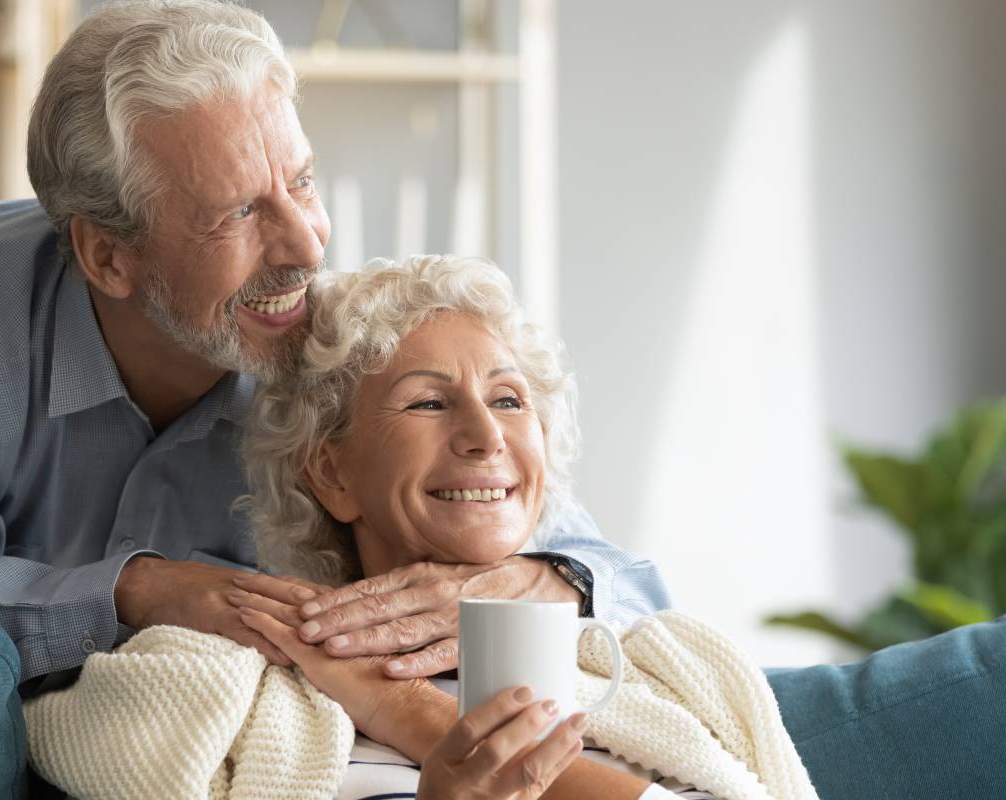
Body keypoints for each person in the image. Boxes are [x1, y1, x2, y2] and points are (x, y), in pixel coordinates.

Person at [0, 0, 668, 690]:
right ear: (108, 255)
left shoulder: (320, 330)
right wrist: (136, 592)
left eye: (302, 183)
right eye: (239, 214)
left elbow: (615, 570)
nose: (306, 247)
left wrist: (537, 583)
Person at [224, 255, 717, 799]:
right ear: (330, 473)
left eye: (507, 400)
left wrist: (409, 711)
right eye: (429, 403)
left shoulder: (650, 679)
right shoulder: (253, 718)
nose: (487, 436)